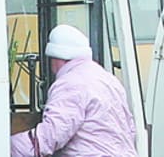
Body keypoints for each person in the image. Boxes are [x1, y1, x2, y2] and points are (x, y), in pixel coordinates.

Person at [10, 24, 137, 157]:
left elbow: (52, 134)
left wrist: (8, 145)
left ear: (57, 58)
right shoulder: (109, 79)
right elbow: (130, 128)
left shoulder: (70, 84)